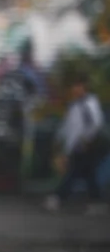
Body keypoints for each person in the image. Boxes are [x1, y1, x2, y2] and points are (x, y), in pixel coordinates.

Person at [45, 74, 108, 214]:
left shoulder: (89, 103)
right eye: (73, 86)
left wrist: (85, 140)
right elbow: (68, 126)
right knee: (88, 175)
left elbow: (96, 124)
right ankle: (97, 201)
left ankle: (57, 198)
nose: (74, 89)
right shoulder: (75, 105)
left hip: (85, 146)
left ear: (83, 87)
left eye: (76, 86)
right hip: (77, 146)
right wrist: (59, 139)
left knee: (73, 172)